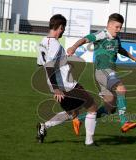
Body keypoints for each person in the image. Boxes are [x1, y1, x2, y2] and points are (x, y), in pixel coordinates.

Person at [67, 13, 136, 135]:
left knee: (110, 107)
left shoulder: (116, 38)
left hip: (106, 73)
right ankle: (124, 122)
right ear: (109, 25)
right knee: (121, 89)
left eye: (120, 27)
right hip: (103, 70)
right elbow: (85, 39)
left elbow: (120, 49)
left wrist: (133, 57)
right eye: (117, 27)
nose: (119, 30)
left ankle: (78, 120)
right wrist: (74, 47)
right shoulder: (101, 34)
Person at [36, 14, 98, 146]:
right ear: (59, 27)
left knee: (72, 113)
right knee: (92, 107)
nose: (63, 31)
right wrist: (57, 87)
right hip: (66, 84)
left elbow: (42, 64)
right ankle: (89, 142)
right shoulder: (54, 44)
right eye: (63, 29)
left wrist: (63, 62)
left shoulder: (42, 42)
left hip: (56, 83)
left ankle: (44, 126)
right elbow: (49, 66)